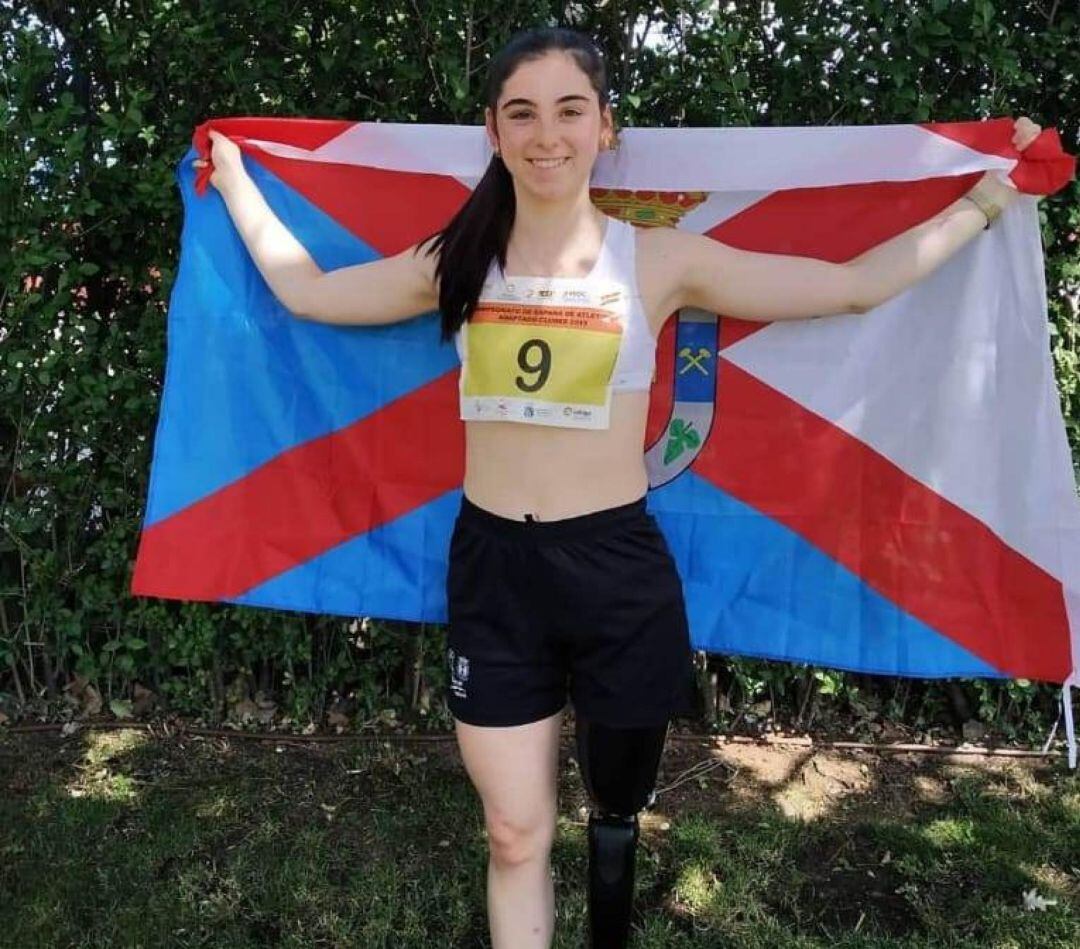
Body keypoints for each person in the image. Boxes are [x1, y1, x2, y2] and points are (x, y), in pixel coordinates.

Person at [195, 25, 1042, 949]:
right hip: (496, 572)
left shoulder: (662, 259)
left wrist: (995, 195)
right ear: (493, 130)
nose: (545, 134)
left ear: (607, 128)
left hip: (617, 574)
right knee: (515, 831)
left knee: (616, 807)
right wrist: (235, 175)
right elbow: (310, 291)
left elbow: (850, 287)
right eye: (521, 112)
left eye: (570, 110)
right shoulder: (459, 259)